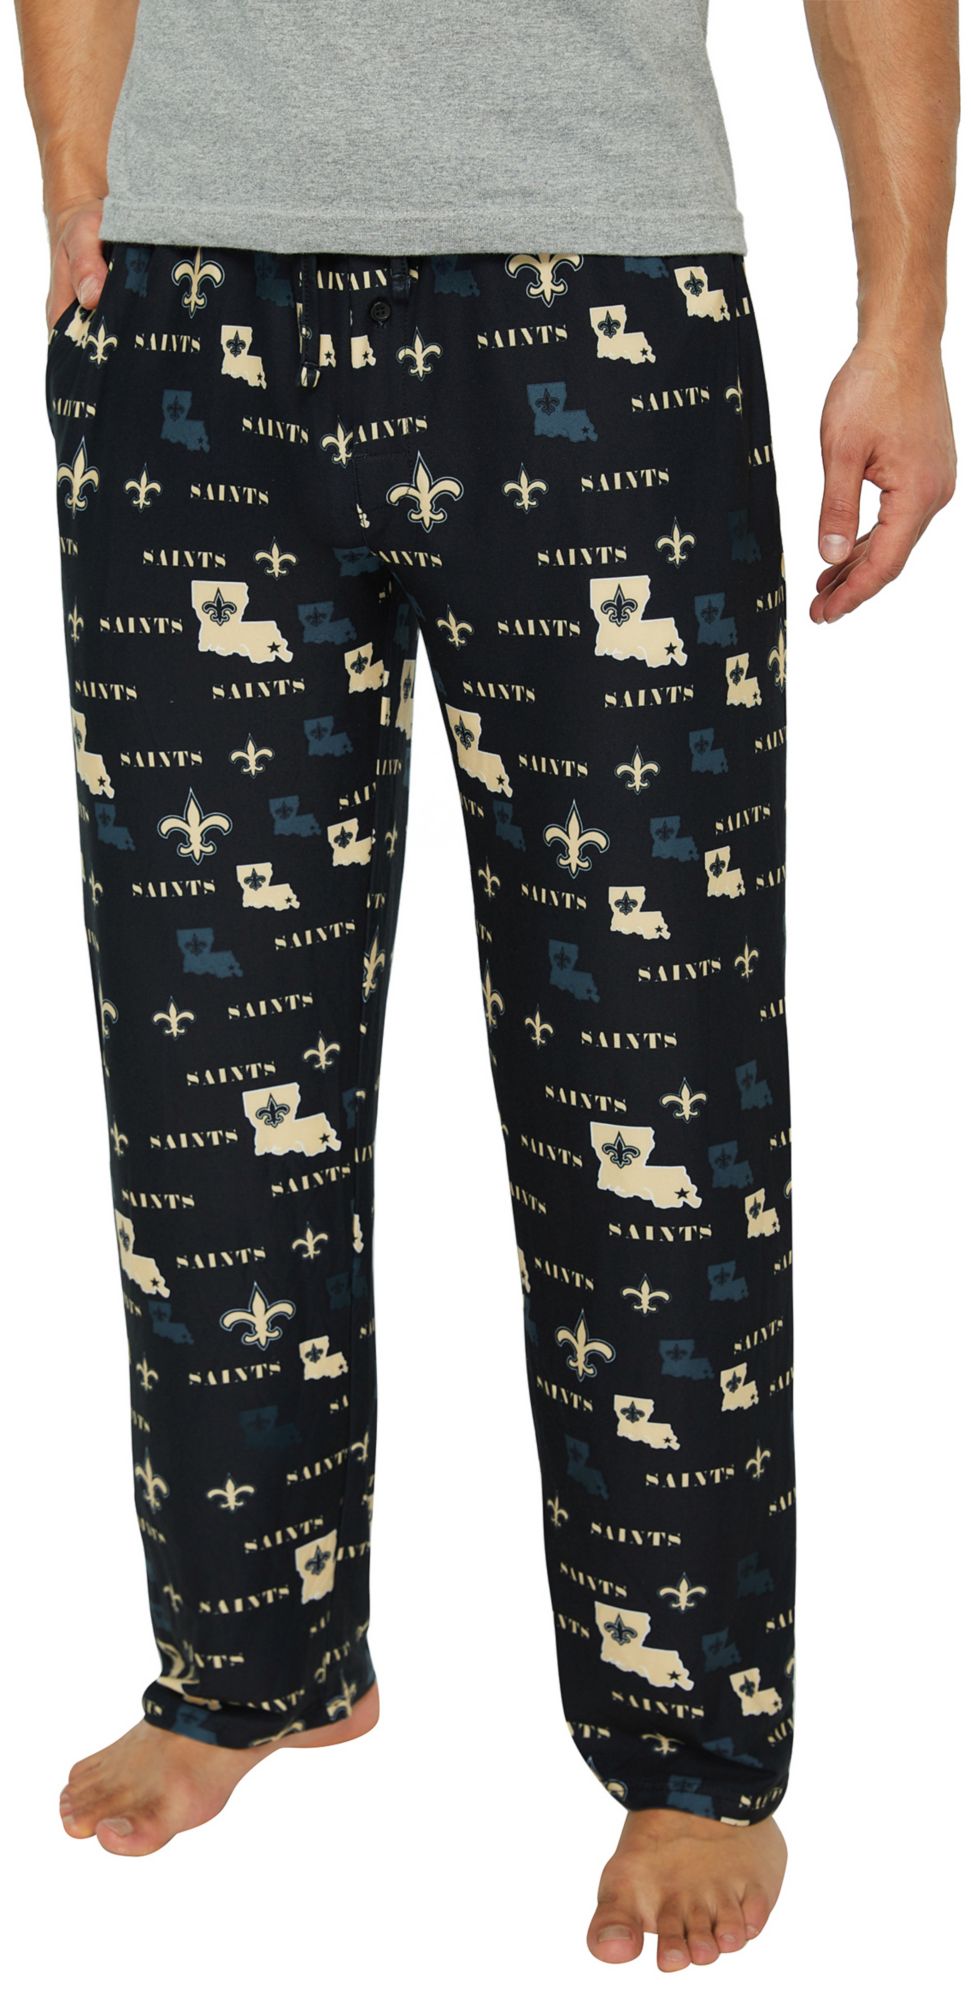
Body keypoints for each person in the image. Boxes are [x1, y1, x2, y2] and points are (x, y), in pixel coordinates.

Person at [14, 0, 958, 1971]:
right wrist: (87, 186)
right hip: (194, 315)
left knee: (656, 1099)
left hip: (601, 311)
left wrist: (902, 325)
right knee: (205, 1083)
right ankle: (252, 1651)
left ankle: (695, 1752)